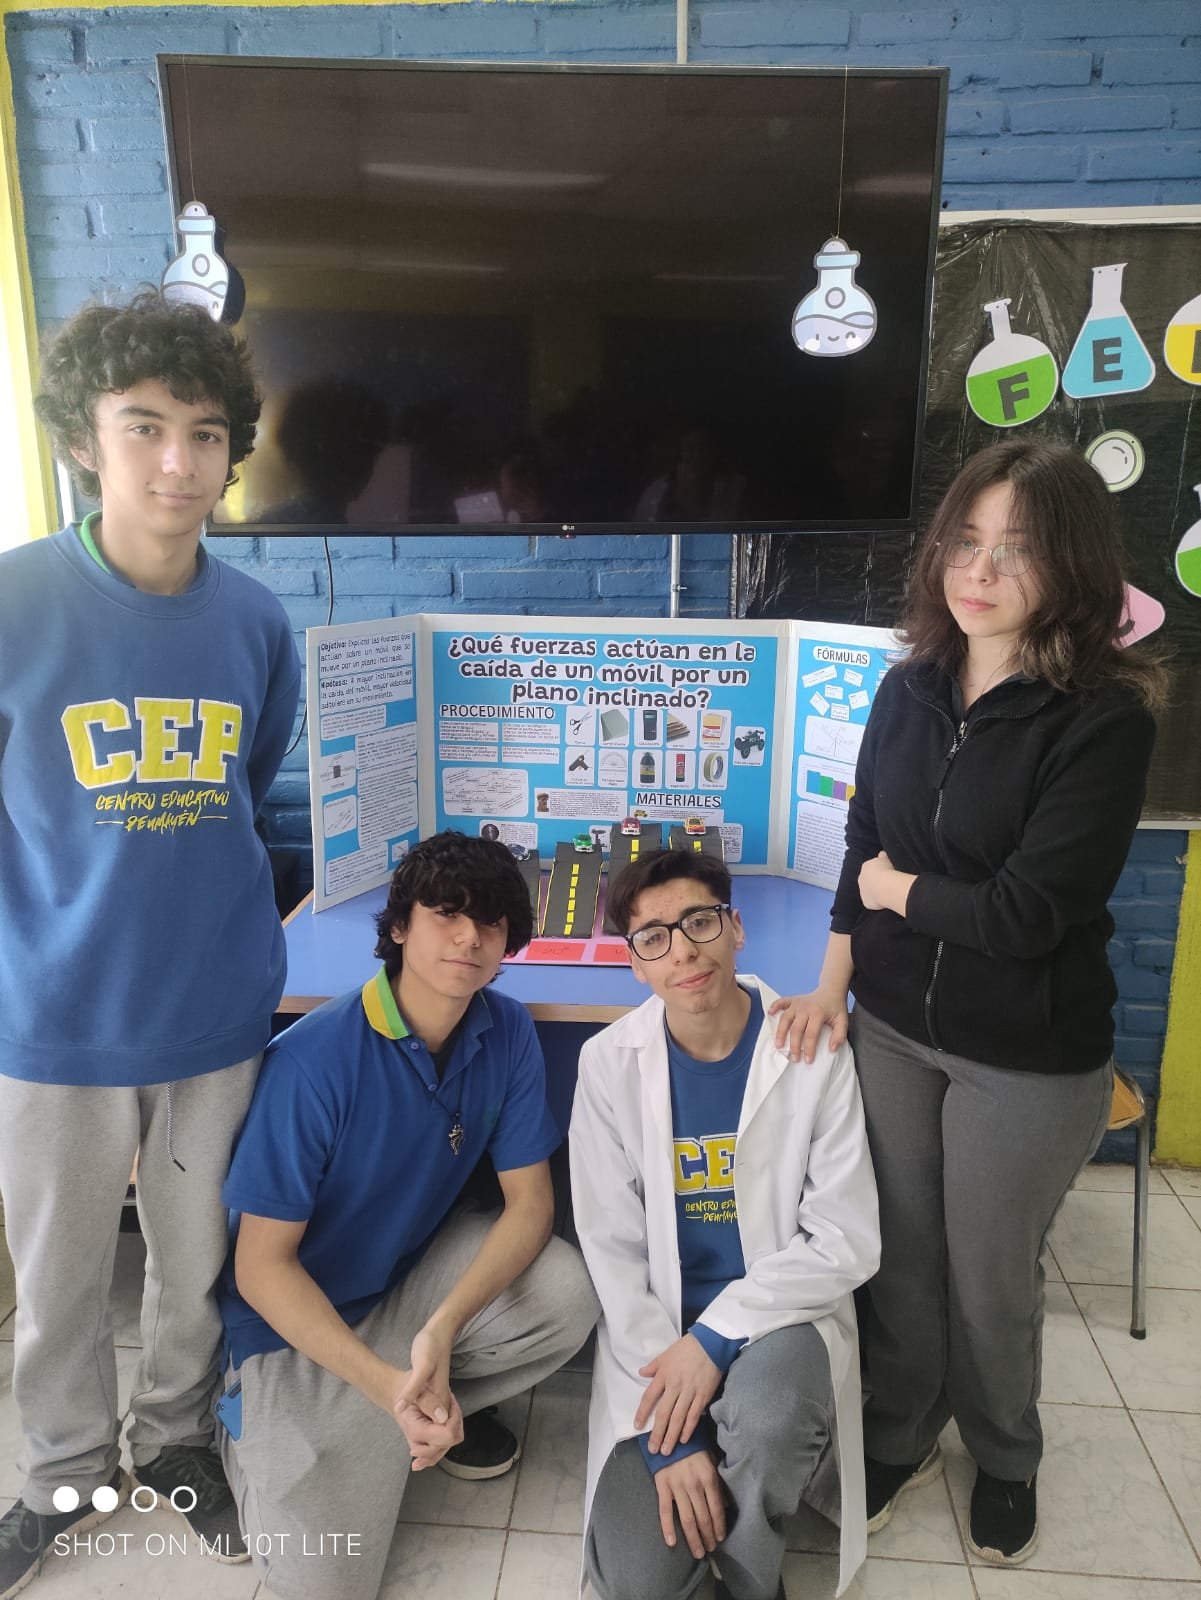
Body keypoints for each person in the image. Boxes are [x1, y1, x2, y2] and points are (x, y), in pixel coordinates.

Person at [772, 438, 1167, 1567]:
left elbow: (1027, 914)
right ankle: (899, 1432)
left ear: (1072, 565)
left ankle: (1004, 1453)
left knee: (989, 1277)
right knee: (900, 1257)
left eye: (1016, 549)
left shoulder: (1102, 719)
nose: (979, 570)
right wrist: (832, 987)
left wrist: (898, 891)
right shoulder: (906, 688)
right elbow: (860, 843)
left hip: (1027, 1052)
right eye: (966, 540)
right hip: (894, 1027)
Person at [0, 291, 301, 1593]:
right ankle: (62, 1471)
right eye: (144, 428)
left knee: (195, 1263)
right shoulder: (14, 604)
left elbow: (250, 783)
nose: (179, 462)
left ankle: (178, 1441)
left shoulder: (256, 623)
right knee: (61, 1276)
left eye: (205, 433)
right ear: (83, 439)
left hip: (215, 1011)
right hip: (54, 1016)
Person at [217, 831, 599, 1600]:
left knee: (563, 1291)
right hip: (297, 1329)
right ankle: (244, 1425)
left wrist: (442, 1329)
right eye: (445, 914)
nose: (468, 938)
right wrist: (384, 1384)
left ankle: (417, 1402)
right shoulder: (314, 1061)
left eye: (489, 922)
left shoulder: (505, 1028)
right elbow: (260, 1270)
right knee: (327, 1585)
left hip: (407, 1287)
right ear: (398, 926)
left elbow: (530, 1206)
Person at [572, 848, 880, 1600]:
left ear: (735, 928)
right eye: (654, 938)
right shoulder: (608, 1065)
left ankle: (751, 1577)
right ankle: (701, 1464)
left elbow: (845, 1237)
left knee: (769, 1421)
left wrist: (714, 1339)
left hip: (778, 1321)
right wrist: (666, 1443)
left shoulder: (810, 1051)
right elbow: (612, 1252)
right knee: (641, 1583)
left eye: (699, 922)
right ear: (634, 964)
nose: (682, 951)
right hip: (655, 1345)